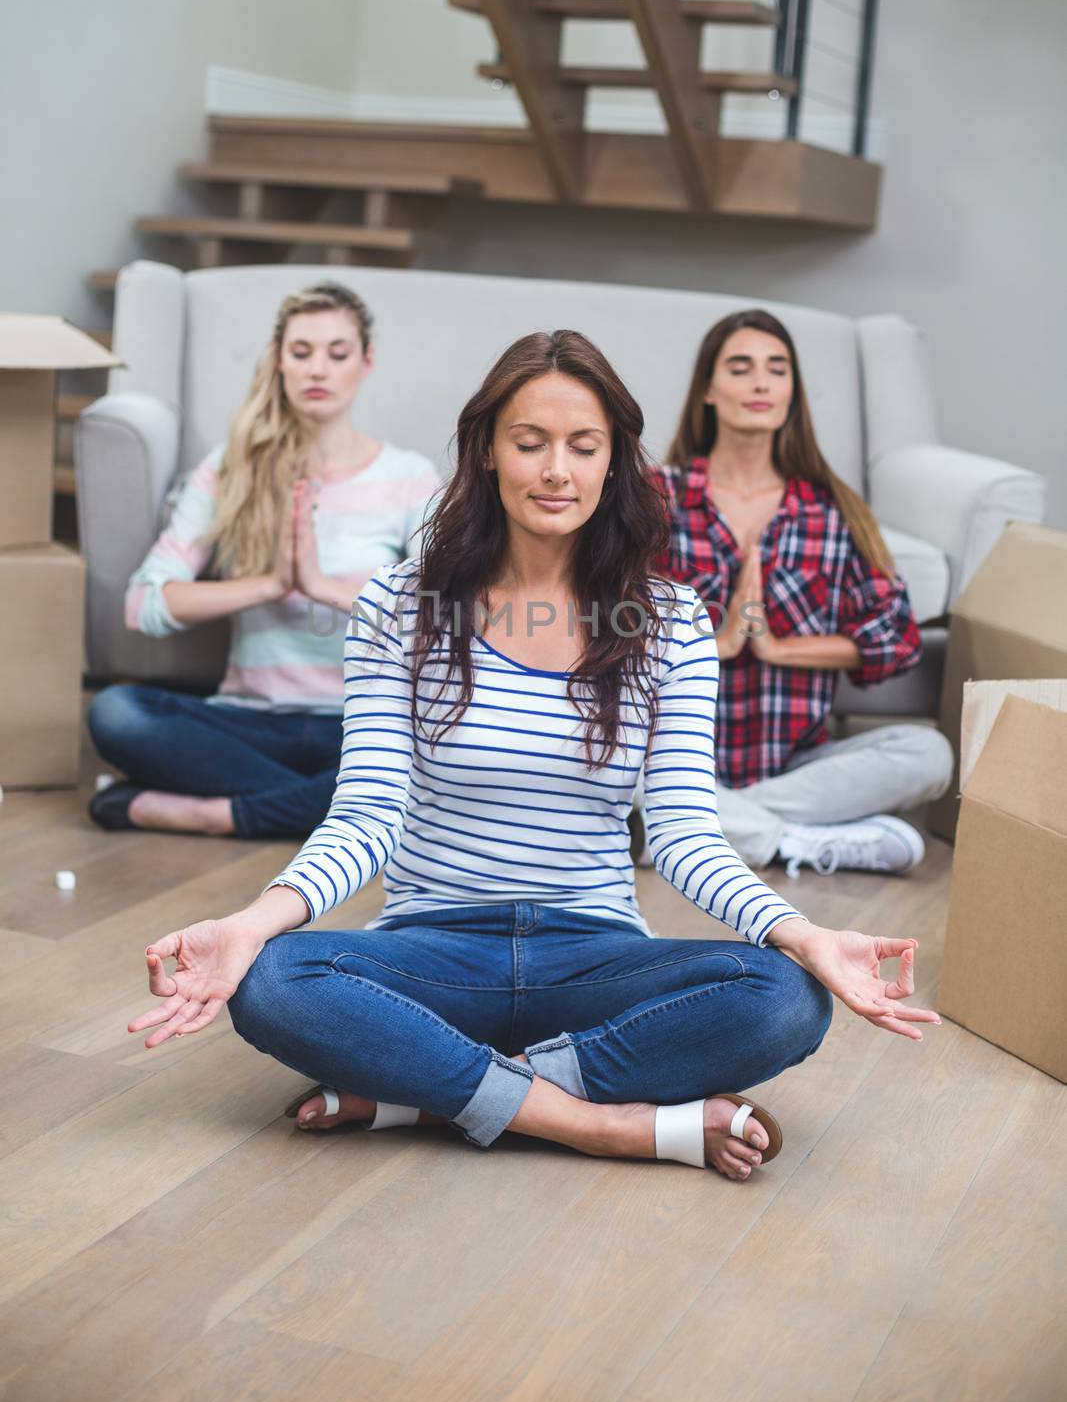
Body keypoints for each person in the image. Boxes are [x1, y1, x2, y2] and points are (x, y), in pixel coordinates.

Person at [127, 329, 941, 1183]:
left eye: (583, 447)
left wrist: (805, 937)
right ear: (485, 451)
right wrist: (252, 924)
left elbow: (681, 834)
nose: (557, 469)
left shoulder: (668, 622)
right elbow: (366, 815)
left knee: (784, 999)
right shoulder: (398, 604)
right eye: (530, 442)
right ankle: (600, 1126)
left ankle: (428, 1094)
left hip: (591, 951)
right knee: (275, 981)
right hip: (432, 947)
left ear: (613, 463)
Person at [88, 281, 440, 841]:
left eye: (337, 353)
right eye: (301, 353)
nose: (317, 370)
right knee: (116, 713)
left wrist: (323, 585)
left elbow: (440, 619)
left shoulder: (409, 478)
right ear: (280, 362)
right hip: (249, 720)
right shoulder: (232, 468)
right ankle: (338, 814)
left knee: (437, 753)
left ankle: (215, 813)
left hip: (357, 726)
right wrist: (271, 583)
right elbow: (144, 605)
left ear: (365, 363)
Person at [645, 308, 954, 880]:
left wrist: (781, 649)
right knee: (613, 766)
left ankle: (711, 829)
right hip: (673, 760)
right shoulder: (657, 497)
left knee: (930, 756)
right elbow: (606, 632)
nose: (761, 382)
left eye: (777, 369)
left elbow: (899, 637)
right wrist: (719, 641)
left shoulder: (830, 509)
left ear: (792, 390)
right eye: (740, 367)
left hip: (797, 766)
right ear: (708, 390)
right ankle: (795, 841)